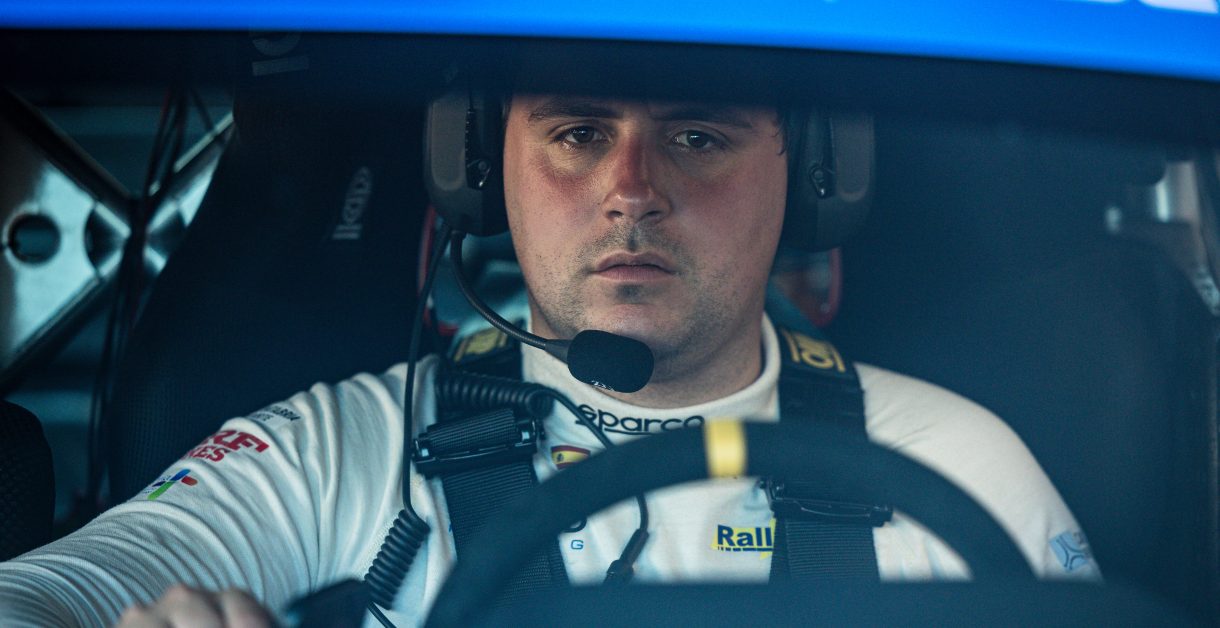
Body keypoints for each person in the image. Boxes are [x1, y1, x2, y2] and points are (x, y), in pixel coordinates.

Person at [0, 92, 1099, 627]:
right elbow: (47, 594)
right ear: (483, 172)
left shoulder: (950, 464)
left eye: (698, 135)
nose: (631, 190)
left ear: (813, 176)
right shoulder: (349, 449)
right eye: (578, 132)